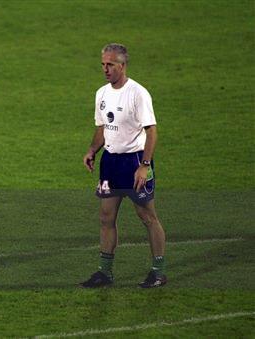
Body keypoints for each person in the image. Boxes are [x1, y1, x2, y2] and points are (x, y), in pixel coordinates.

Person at [81, 43, 167, 288]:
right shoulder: (102, 93)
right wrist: (91, 150)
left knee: (147, 216)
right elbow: (102, 128)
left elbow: (151, 132)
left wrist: (145, 165)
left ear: (122, 65)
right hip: (110, 163)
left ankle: (158, 272)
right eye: (103, 65)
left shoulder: (138, 93)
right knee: (106, 216)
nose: (105, 69)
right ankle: (105, 273)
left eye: (110, 65)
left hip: (134, 161)